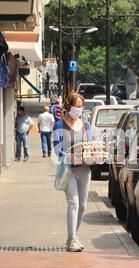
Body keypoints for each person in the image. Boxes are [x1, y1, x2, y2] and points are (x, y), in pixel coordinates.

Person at [53, 92, 92, 252]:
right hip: (68, 170)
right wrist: (71, 157)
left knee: (82, 206)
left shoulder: (86, 125)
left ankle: (73, 237)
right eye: (77, 106)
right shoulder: (59, 125)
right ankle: (72, 239)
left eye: (81, 106)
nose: (80, 109)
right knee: (73, 203)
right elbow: (57, 150)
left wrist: (92, 155)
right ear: (69, 106)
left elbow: (89, 146)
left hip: (85, 170)